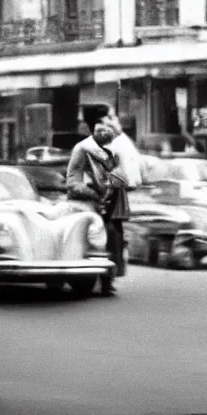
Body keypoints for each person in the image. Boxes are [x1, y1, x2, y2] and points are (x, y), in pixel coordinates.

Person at [66, 122, 131, 295]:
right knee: (99, 237)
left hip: (111, 204)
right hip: (88, 204)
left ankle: (108, 278)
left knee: (115, 238)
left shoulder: (114, 151)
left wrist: (117, 181)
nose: (106, 133)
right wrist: (94, 193)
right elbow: (73, 182)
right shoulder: (83, 150)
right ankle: (97, 277)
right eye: (101, 129)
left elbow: (124, 176)